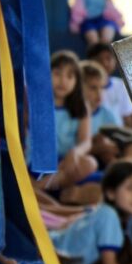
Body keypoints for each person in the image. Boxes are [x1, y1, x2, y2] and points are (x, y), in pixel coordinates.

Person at [36, 50, 98, 203]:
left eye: (70, 76)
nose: (63, 81)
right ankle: (42, 189)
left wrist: (75, 152)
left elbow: (86, 142)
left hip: (66, 164)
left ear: (77, 81)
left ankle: (38, 189)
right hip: (37, 162)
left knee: (90, 163)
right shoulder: (34, 101)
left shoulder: (81, 107)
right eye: (57, 74)